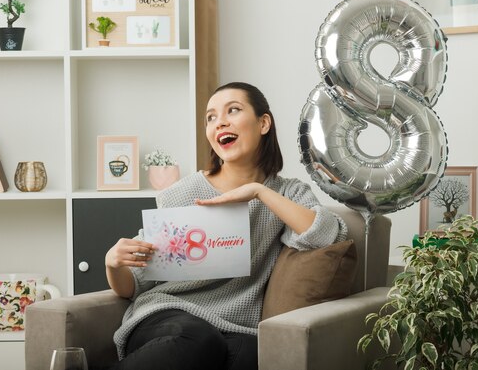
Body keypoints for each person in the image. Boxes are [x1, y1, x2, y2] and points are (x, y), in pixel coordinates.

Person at [103, 82, 348, 370]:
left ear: (263, 123)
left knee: (250, 358)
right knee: (199, 338)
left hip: (237, 327)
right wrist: (113, 264)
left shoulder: (286, 194)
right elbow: (133, 283)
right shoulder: (182, 193)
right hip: (167, 315)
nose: (220, 122)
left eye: (233, 110)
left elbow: (326, 235)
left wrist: (259, 192)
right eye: (211, 117)